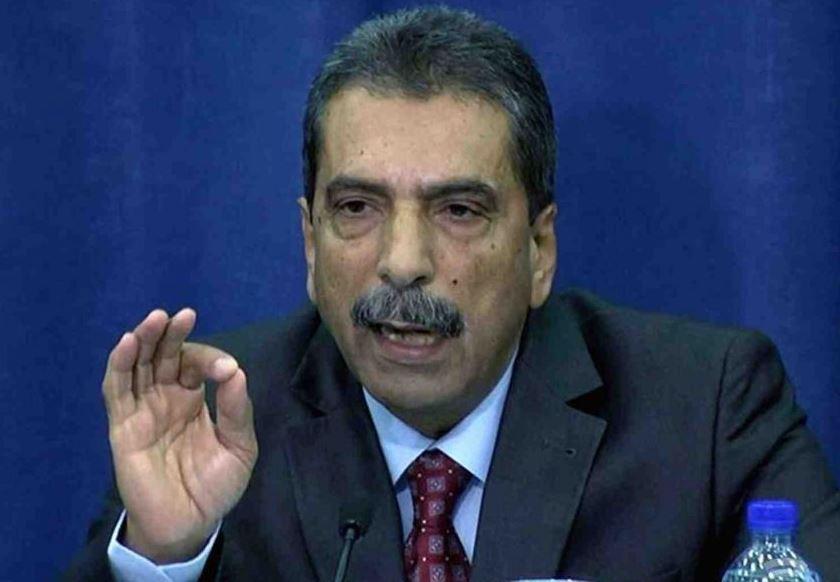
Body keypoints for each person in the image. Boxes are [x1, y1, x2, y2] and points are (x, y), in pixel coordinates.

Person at [67, 6, 840, 581]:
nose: (403, 262)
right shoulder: (216, 415)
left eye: (460, 211)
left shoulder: (706, 411)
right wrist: (163, 554)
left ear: (539, 250)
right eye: (357, 208)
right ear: (309, 242)